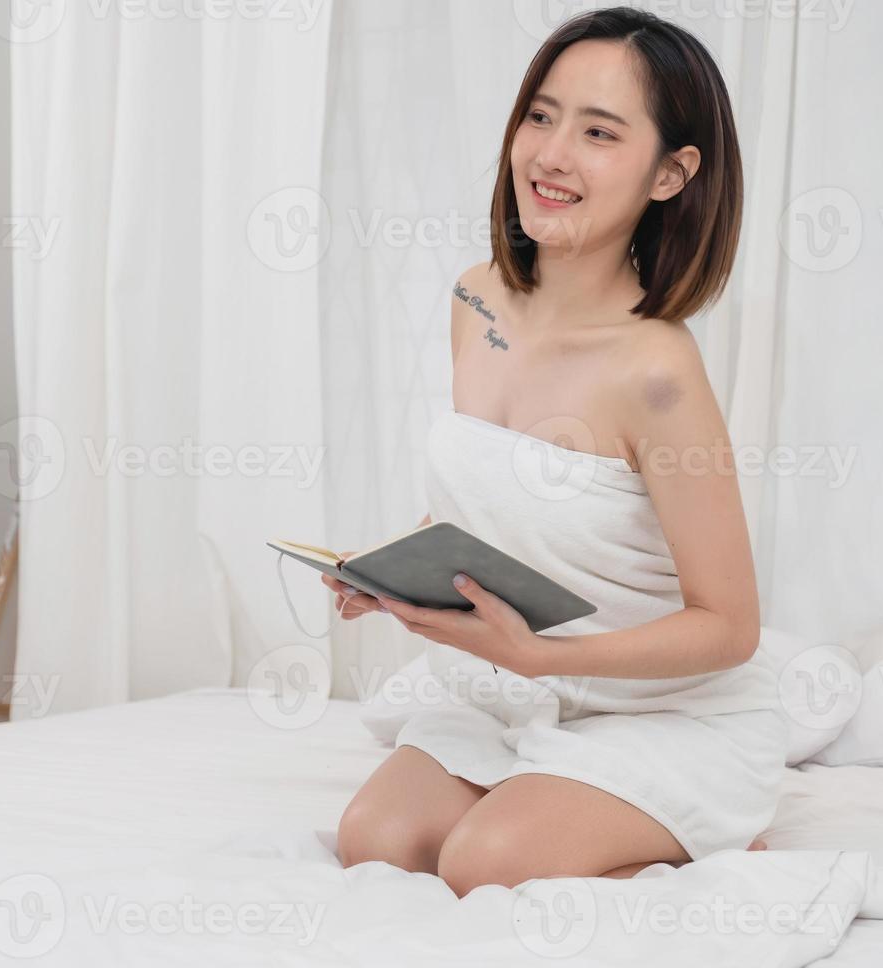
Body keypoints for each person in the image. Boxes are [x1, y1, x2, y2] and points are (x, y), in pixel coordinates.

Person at [325, 7, 782, 899]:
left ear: (671, 173)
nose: (550, 154)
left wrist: (543, 657)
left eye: (599, 131)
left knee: (486, 864)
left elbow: (729, 628)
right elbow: (495, 513)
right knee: (375, 840)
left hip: (660, 709)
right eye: (541, 115)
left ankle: (711, 839)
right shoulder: (476, 298)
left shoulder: (658, 371)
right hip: (515, 688)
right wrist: (395, 574)